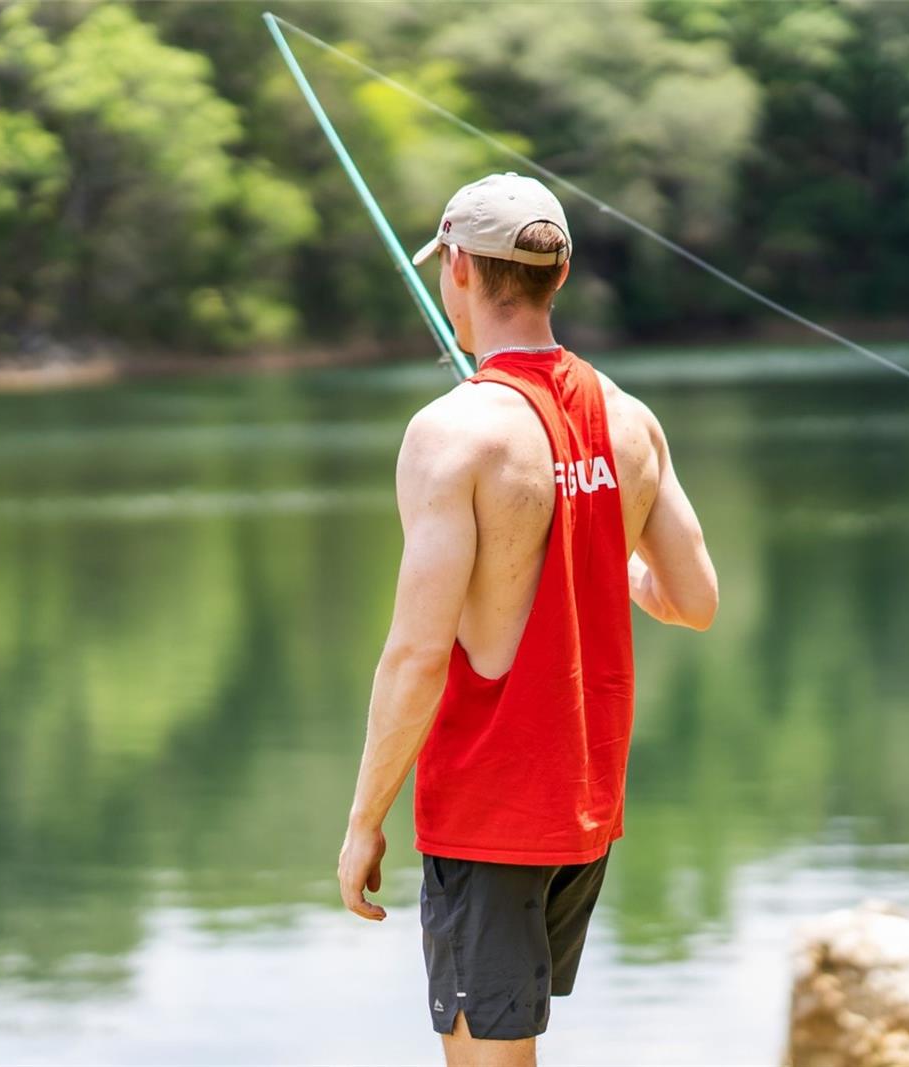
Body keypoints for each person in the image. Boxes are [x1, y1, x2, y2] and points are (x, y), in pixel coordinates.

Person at [337, 172, 719, 1065]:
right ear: (562, 271)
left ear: (460, 269)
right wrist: (603, 551)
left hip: (489, 809)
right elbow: (693, 602)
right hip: (582, 809)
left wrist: (364, 819)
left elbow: (415, 658)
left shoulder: (453, 432)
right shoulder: (630, 418)